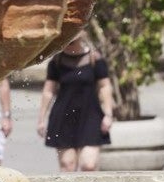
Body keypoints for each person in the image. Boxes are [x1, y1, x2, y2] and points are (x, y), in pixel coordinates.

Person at [37, 31, 114, 171]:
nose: (69, 44)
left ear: (82, 35)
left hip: (91, 116)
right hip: (63, 117)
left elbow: (105, 87)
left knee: (88, 165)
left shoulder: (95, 59)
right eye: (66, 41)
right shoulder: (56, 61)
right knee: (68, 165)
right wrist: (41, 119)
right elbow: (48, 91)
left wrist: (108, 114)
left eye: (72, 41)